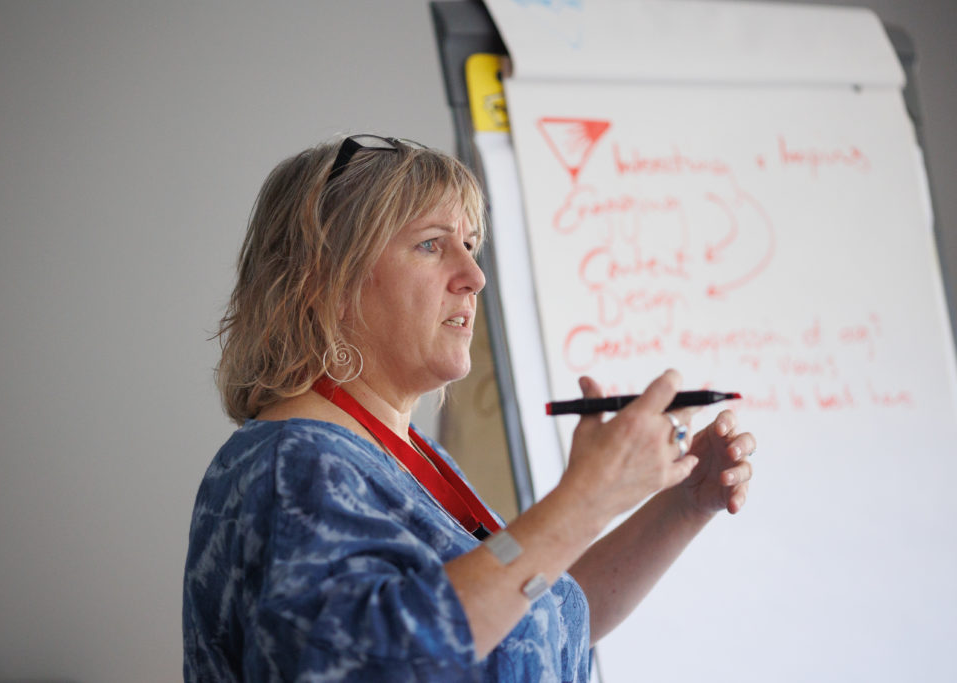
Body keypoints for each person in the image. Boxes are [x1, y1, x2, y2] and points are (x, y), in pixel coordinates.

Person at [182, 134, 756, 682]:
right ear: (323, 280)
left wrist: (682, 505)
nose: (474, 277)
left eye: (471, 245)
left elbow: (534, 613)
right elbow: (375, 664)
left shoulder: (410, 459)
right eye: (431, 244)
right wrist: (585, 500)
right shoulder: (293, 462)